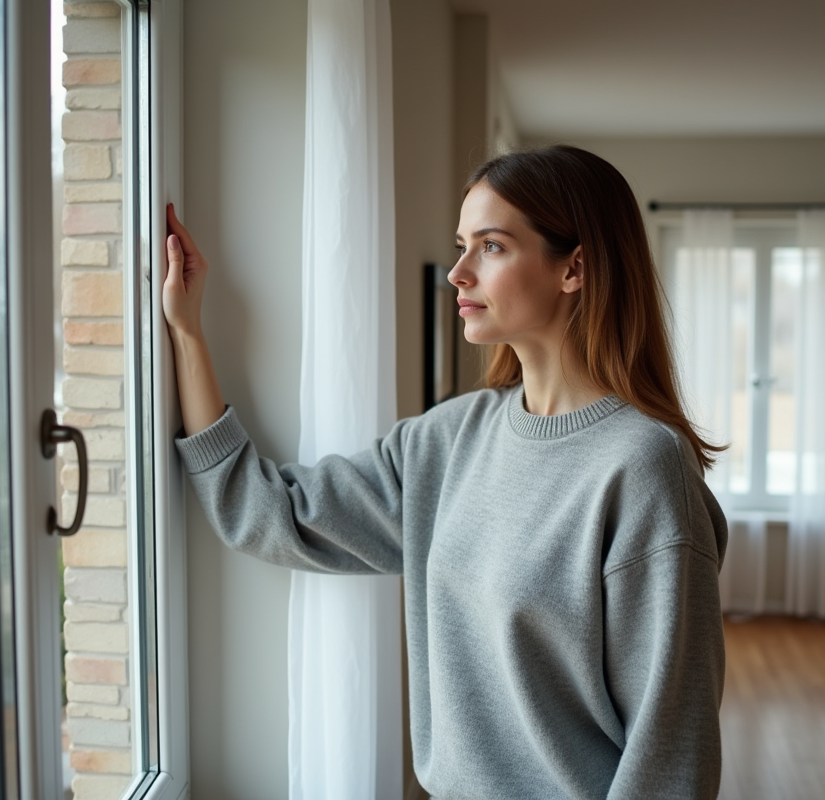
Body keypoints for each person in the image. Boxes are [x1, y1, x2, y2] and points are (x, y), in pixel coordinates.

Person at [163, 144, 728, 799]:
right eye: (462, 245)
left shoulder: (644, 469)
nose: (458, 272)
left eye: (490, 246)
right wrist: (187, 335)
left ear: (574, 268)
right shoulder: (448, 440)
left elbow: (672, 755)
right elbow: (272, 516)